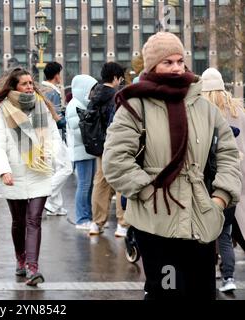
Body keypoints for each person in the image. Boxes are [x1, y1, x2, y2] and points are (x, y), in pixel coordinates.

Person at [102, 32, 241, 300]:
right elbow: (116, 160)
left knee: (201, 293)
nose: (177, 68)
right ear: (152, 66)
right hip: (157, 223)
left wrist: (220, 198)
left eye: (180, 61)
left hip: (201, 216)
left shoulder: (202, 105)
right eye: (168, 62)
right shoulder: (134, 105)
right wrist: (148, 193)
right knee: (167, 291)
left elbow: (228, 152)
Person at [0, 67, 61, 286]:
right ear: (14, 87)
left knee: (34, 219)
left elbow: (54, 137)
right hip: (15, 173)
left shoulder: (42, 107)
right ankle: (20, 259)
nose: (30, 87)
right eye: (24, 84)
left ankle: (33, 267)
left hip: (39, 170)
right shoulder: (3, 110)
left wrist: (50, 157)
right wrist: (3, 170)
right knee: (19, 221)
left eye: (31, 83)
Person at [201, 67, 245, 293]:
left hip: (213, 176)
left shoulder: (203, 110)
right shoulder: (238, 109)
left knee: (212, 230)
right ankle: (228, 274)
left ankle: (216, 273)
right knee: (229, 230)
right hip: (239, 174)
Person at [87, 62, 128, 237]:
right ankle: (122, 224)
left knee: (100, 182)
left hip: (99, 146)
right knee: (121, 183)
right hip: (116, 144)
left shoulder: (94, 95)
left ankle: (97, 223)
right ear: (115, 77)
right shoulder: (117, 96)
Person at [65, 75, 98, 230]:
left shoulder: (82, 103)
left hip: (87, 149)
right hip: (81, 150)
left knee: (88, 185)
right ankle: (81, 218)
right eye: (91, 89)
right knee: (84, 185)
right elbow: (77, 129)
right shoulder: (75, 105)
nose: (93, 92)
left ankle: (87, 216)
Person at [40, 62, 72, 216]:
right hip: (53, 136)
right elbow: (56, 118)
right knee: (66, 168)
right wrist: (68, 120)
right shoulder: (51, 91)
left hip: (46, 136)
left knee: (55, 170)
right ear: (56, 74)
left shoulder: (42, 88)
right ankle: (45, 197)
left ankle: (55, 206)